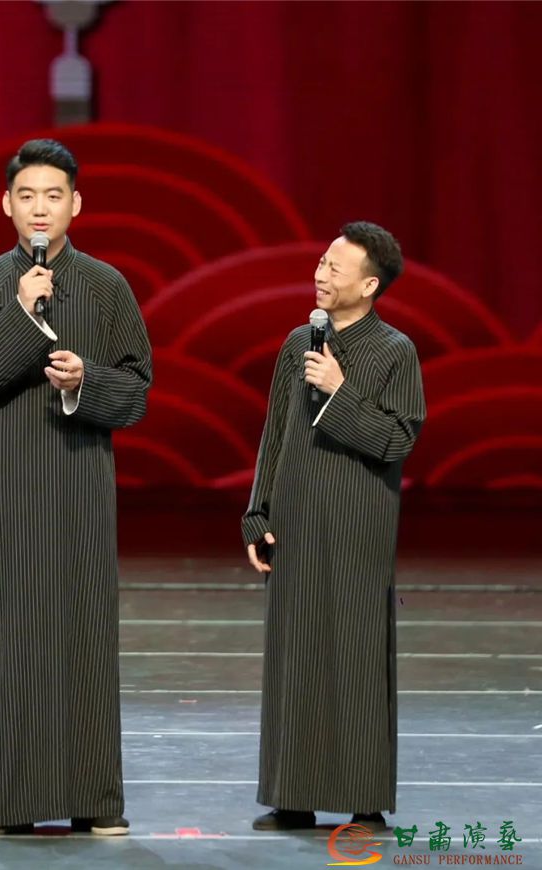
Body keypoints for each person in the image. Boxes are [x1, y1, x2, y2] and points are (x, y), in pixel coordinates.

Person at [0, 139, 152, 837]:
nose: (40, 208)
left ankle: (94, 799)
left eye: (53, 195)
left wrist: (86, 380)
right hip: (3, 487)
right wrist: (23, 319)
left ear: (76, 204)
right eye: (27, 195)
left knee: (82, 636)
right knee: (3, 641)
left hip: (78, 485)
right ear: (6, 204)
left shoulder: (108, 287)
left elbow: (136, 392)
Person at [242, 221, 426, 832]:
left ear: (370, 285)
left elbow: (397, 439)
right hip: (295, 519)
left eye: (335, 268)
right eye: (321, 263)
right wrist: (257, 511)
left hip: (357, 523)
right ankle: (292, 796)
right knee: (293, 656)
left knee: (355, 656)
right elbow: (275, 432)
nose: (320, 274)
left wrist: (340, 392)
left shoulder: (395, 351)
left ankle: (364, 801)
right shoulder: (301, 341)